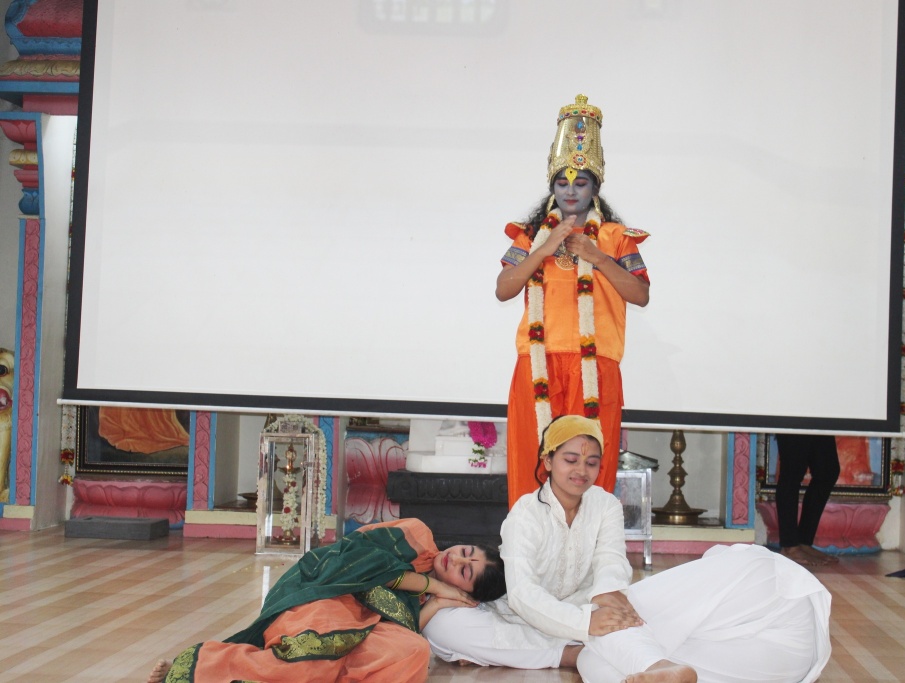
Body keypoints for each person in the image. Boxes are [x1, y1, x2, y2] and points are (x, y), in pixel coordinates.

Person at [425, 415, 832, 683]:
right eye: (570, 459)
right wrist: (586, 623)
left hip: (608, 605)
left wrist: (606, 596)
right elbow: (524, 595)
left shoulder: (605, 504)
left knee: (745, 566)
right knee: (595, 661)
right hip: (561, 620)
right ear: (547, 461)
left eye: (591, 462)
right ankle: (662, 667)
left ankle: (659, 667)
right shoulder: (525, 515)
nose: (581, 470)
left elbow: (611, 560)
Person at [498, 94, 651, 508]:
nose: (570, 191)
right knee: (533, 461)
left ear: (595, 188)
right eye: (562, 183)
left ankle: (588, 545)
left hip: (596, 365)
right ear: (552, 186)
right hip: (538, 363)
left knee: (588, 466)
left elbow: (640, 295)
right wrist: (545, 249)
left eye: (580, 183)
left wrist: (597, 257)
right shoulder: (531, 235)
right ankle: (531, 543)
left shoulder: (616, 237)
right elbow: (504, 288)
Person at [147, 518, 505, 683]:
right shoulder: (418, 536)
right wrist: (433, 584)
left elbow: (402, 626)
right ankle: (200, 667)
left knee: (412, 650)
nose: (457, 560)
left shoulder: (429, 595)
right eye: (466, 552)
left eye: (465, 572)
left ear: (466, 591)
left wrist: (437, 602)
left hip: (363, 626)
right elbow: (359, 560)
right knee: (315, 658)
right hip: (325, 593)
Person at [773, 433, 841, 566]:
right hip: (793, 420)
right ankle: (789, 546)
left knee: (828, 471)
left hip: (821, 420)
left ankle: (804, 542)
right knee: (792, 470)